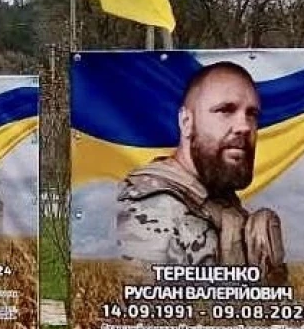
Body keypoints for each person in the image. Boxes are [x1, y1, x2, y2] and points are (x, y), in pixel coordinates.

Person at [115, 61, 287, 283]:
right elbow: (147, 314)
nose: (244, 126)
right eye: (225, 110)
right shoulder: (153, 206)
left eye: (252, 114)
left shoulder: (218, 203)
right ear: (187, 122)